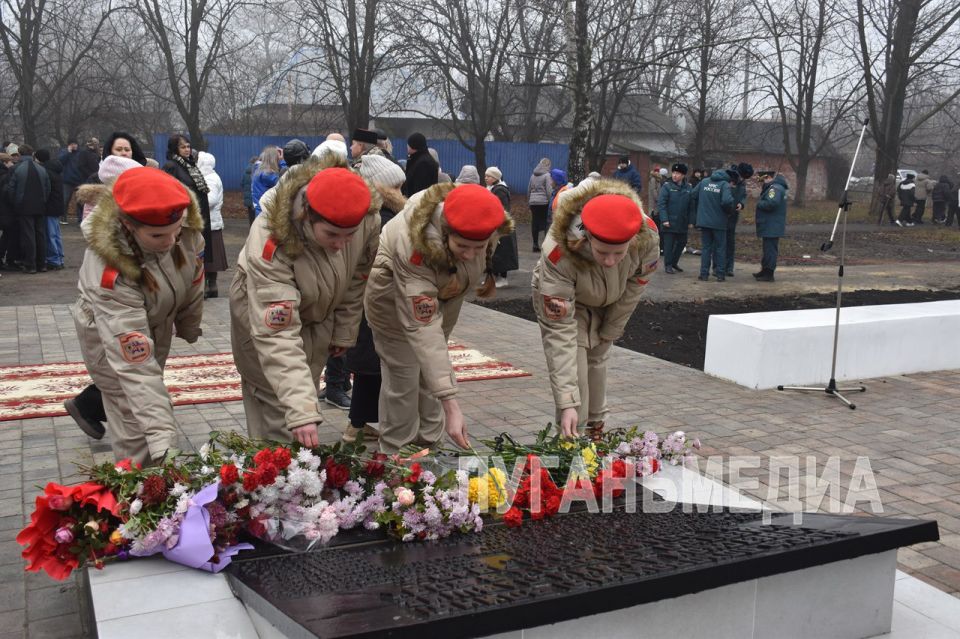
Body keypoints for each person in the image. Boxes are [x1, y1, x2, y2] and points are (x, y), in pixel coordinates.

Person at [229, 157, 380, 446]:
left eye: (350, 235)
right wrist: (300, 412)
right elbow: (278, 336)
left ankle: (296, 466)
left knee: (304, 393)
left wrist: (344, 330)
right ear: (306, 217)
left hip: (318, 315)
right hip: (262, 323)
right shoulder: (271, 241)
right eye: (332, 234)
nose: (341, 244)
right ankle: (272, 478)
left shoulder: (366, 218)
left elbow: (356, 278)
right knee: (279, 410)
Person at [364, 183, 513, 453]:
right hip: (390, 304)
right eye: (462, 246)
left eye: (477, 247)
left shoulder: (483, 223)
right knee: (404, 377)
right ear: (445, 231)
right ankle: (396, 454)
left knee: (431, 374)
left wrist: (443, 387)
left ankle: (430, 447)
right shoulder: (414, 243)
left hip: (440, 303)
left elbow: (436, 340)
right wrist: (452, 404)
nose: (469, 254)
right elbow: (422, 327)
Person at [72, 167, 204, 465]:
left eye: (177, 231)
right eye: (158, 235)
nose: (171, 241)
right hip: (110, 342)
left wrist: (188, 323)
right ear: (128, 226)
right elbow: (136, 367)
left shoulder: (185, 230)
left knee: (148, 409)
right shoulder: (110, 273)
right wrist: (163, 440)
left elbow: (194, 275)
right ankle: (137, 495)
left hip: (155, 326)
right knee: (136, 428)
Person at [532, 179, 659, 439]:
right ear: (587, 236)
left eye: (619, 253)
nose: (610, 261)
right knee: (576, 372)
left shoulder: (647, 236)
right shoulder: (559, 250)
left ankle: (596, 431)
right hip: (568, 302)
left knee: (598, 359)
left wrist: (611, 328)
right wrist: (567, 401)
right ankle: (571, 439)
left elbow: (635, 285)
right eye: (602, 252)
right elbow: (560, 335)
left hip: (610, 299)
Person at [65, 154, 145, 439]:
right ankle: (88, 406)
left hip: (121, 314)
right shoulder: (105, 226)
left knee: (131, 373)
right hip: (104, 314)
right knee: (123, 379)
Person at [341, 153, 408, 443]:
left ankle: (360, 422)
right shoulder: (380, 218)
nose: (401, 192)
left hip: (369, 300)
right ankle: (355, 426)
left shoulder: (379, 213)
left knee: (371, 365)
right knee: (372, 365)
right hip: (373, 301)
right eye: (397, 186)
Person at [163, 134, 214, 297]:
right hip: (184, 221)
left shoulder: (191, 165)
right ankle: (184, 289)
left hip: (200, 217)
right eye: (182, 147)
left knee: (199, 253)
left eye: (188, 146)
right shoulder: (171, 166)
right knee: (185, 254)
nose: (187, 149)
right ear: (175, 149)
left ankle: (198, 286)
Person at [3, 144, 50, 274]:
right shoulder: (41, 169)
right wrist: (43, 201)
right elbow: (47, 188)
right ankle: (42, 264)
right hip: (40, 205)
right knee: (40, 234)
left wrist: (15, 204)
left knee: (28, 235)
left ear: (19, 153)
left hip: (23, 206)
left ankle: (31, 264)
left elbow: (11, 189)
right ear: (32, 154)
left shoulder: (16, 169)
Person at [690, 167, 734, 282]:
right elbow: (727, 201)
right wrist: (728, 212)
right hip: (719, 222)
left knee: (706, 249)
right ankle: (720, 274)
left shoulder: (704, 182)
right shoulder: (724, 185)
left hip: (704, 221)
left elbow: (693, 194)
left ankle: (703, 274)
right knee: (720, 248)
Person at [196, 151, 227, 298]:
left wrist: (194, 201)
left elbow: (211, 199)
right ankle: (211, 287)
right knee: (210, 259)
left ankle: (210, 287)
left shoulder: (210, 179)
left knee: (209, 259)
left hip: (211, 223)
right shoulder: (208, 177)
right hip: (211, 222)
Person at [485, 166, 518, 288]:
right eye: (485, 176)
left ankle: (503, 278)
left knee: (503, 252)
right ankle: (494, 277)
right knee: (494, 252)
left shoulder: (500, 190)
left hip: (502, 225)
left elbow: (502, 208)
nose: (486, 178)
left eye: (488, 176)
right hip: (496, 224)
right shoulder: (492, 189)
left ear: (495, 178)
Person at [658, 162, 692, 274]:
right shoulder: (667, 187)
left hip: (682, 221)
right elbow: (661, 204)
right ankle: (668, 265)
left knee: (682, 243)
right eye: (673, 172)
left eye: (677, 173)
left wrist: (691, 221)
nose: (674, 175)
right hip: (669, 221)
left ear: (683, 175)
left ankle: (674, 262)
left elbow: (691, 206)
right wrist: (664, 219)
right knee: (668, 245)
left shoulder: (688, 187)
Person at [754, 171, 789, 282]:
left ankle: (769, 274)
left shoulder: (775, 189)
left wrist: (759, 203)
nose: (762, 183)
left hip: (771, 224)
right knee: (767, 249)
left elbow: (772, 203)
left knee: (770, 250)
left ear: (768, 177)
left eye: (763, 180)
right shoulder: (776, 187)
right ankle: (764, 270)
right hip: (770, 224)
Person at [35, 149, 65, 270]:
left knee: (50, 234)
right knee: (56, 234)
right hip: (57, 206)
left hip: (50, 207)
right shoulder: (55, 169)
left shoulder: (45, 171)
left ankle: (53, 260)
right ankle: (59, 257)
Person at [723, 162, 753, 277]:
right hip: (723, 214)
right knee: (721, 242)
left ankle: (729, 268)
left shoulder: (742, 182)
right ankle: (719, 266)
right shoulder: (728, 178)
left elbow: (743, 195)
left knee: (730, 242)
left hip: (733, 215)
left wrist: (741, 203)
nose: (742, 179)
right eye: (742, 177)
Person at [528, 157, 552, 252]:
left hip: (533, 202)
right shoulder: (547, 175)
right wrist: (550, 201)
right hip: (543, 202)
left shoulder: (533, 175)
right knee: (546, 222)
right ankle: (545, 245)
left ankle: (535, 244)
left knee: (534, 222)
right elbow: (549, 190)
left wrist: (529, 201)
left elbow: (528, 189)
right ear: (547, 165)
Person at [250, 145, 281, 217]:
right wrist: (282, 162)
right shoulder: (267, 174)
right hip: (266, 212)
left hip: (260, 210)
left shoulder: (258, 170)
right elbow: (283, 184)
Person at [241, 156, 256, 225]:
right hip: (255, 197)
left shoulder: (245, 172)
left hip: (248, 197)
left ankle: (251, 229)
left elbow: (242, 184)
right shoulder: (257, 171)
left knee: (251, 215)